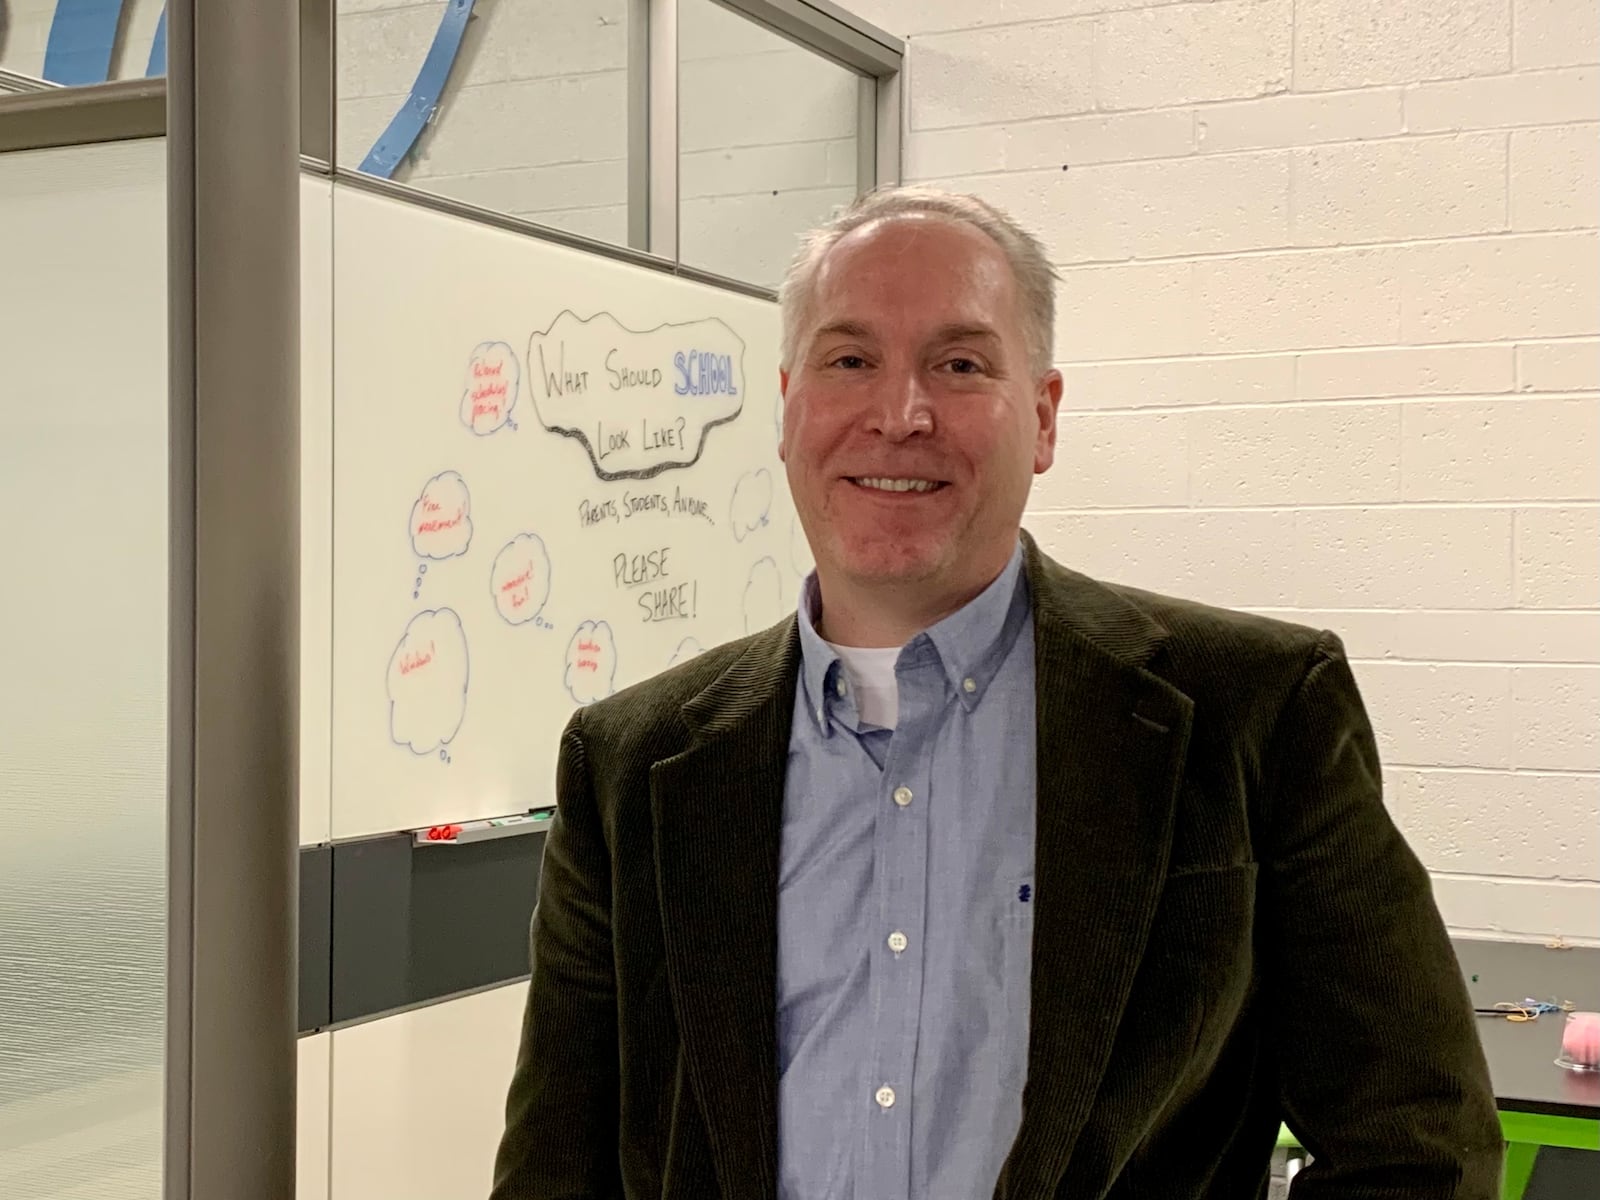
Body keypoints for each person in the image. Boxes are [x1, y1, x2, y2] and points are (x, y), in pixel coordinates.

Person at [489, 186, 1502, 1199]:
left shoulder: (1251, 711)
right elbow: (556, 1169)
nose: (899, 415)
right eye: (851, 362)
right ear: (791, 407)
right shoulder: (632, 762)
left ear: (1044, 417)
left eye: (959, 364)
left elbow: (1418, 1142)